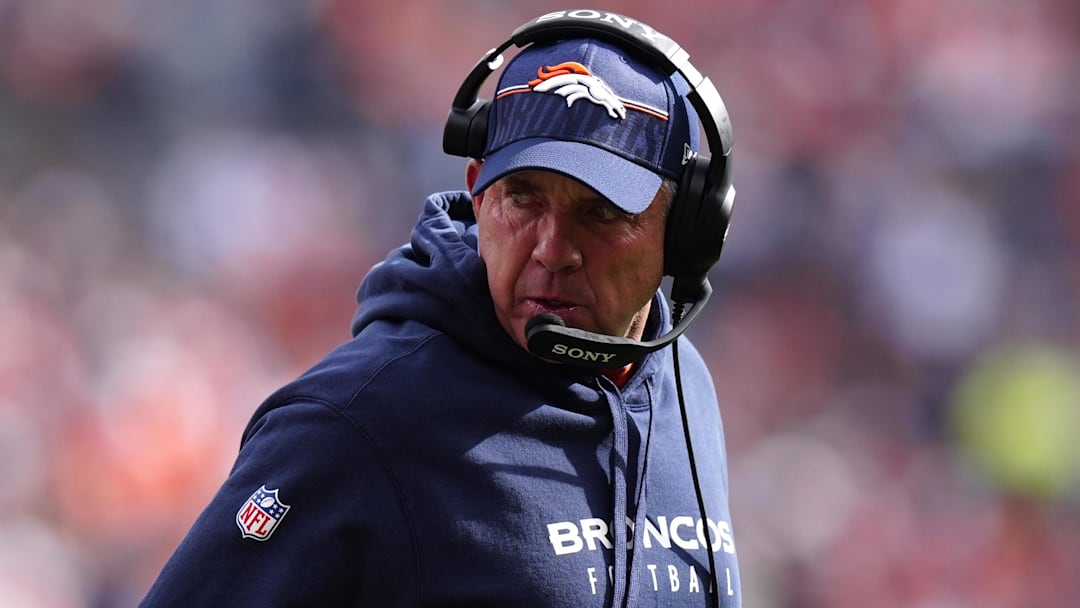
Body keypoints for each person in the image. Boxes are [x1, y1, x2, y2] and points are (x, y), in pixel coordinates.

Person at [141, 9, 742, 607]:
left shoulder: (685, 388)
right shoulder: (355, 421)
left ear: (688, 234)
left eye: (601, 212)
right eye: (523, 198)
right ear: (478, 194)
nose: (553, 250)